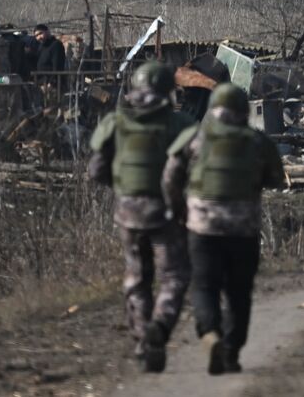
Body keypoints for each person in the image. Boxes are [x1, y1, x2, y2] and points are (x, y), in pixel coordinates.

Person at [163, 82, 287, 375]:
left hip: (202, 229)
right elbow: (276, 179)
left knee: (205, 286)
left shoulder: (193, 137)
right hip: (244, 230)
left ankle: (210, 333)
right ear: (243, 110)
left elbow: (170, 179)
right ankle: (231, 352)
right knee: (239, 291)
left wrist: (179, 209)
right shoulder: (257, 141)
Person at [87, 62, 197, 373]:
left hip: (128, 213)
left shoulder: (114, 122)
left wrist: (122, 189)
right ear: (168, 90)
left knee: (137, 278)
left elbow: (95, 170)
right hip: (165, 213)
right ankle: (159, 329)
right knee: (174, 276)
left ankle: (141, 343)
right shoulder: (182, 124)